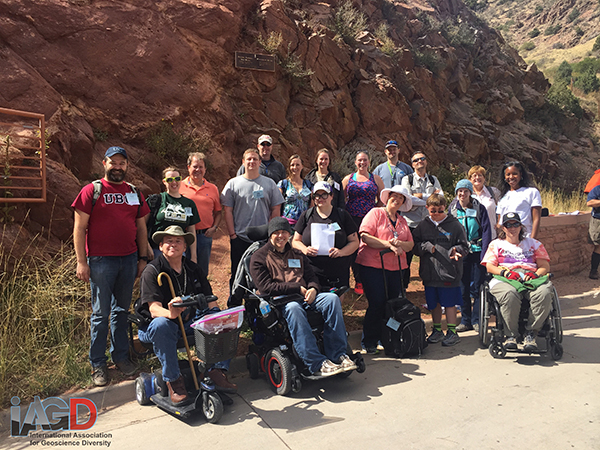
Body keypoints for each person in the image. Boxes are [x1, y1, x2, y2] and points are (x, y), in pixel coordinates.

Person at [72, 146, 150, 386]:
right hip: (100, 261)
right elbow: (79, 228)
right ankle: (98, 363)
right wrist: (81, 262)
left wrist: (143, 258)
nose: (117, 167)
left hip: (128, 259)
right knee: (100, 314)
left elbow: (141, 228)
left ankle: (121, 358)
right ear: (104, 163)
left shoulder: (134, 192)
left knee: (120, 313)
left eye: (122, 163)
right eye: (113, 162)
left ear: (127, 166)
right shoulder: (92, 191)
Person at [138, 226, 236, 405]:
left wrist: (218, 320)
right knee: (162, 324)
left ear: (185, 247)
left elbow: (210, 301)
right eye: (169, 241)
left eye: (178, 241)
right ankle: (174, 380)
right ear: (160, 246)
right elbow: (154, 310)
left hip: (189, 321)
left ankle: (215, 370)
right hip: (156, 327)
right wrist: (171, 314)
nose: (173, 244)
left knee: (222, 320)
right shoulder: (152, 271)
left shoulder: (193, 269)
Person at [250, 217, 357, 376]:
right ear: (270, 235)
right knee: (294, 308)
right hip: (281, 301)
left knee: (332, 299)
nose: (281, 236)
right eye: (276, 233)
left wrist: (313, 288)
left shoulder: (297, 254)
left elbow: (312, 277)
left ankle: (338, 355)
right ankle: (316, 363)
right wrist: (297, 288)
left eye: (284, 232)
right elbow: (265, 287)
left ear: (289, 234)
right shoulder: (259, 258)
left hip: (306, 296)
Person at [481, 212, 554, 351]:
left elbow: (545, 266)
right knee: (509, 294)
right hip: (505, 276)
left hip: (530, 276)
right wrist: (504, 272)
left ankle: (531, 333)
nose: (512, 228)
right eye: (508, 225)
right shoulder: (496, 244)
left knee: (544, 293)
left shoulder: (534, 244)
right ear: (503, 228)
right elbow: (490, 266)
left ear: (521, 227)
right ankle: (510, 335)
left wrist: (535, 274)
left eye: (515, 224)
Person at [355, 185, 414, 354]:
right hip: (373, 266)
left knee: (392, 304)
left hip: (396, 268)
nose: (396, 199)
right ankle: (369, 340)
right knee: (377, 302)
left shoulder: (402, 221)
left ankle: (387, 337)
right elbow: (365, 236)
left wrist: (399, 244)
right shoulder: (375, 214)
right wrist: (388, 245)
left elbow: (410, 244)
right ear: (388, 197)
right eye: (394, 196)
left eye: (400, 198)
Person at [222, 148, 284, 294]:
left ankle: (259, 308)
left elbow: (275, 209)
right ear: (243, 162)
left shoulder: (269, 184)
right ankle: (235, 305)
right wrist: (232, 235)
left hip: (262, 239)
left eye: (255, 159)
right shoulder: (233, 184)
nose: (252, 162)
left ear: (260, 162)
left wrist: (271, 232)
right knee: (237, 272)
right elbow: (227, 211)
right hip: (240, 237)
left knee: (262, 273)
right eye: (249, 159)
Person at [412, 194, 468, 347]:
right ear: (427, 209)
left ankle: (452, 331)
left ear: (445, 208)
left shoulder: (455, 225)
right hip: (429, 273)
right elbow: (415, 245)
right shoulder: (423, 225)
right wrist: (426, 247)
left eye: (439, 210)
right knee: (433, 303)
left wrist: (456, 250)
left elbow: (464, 246)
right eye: (432, 211)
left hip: (449, 272)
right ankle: (437, 330)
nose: (436, 214)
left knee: (449, 303)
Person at [292, 181, 359, 290]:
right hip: (311, 272)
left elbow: (354, 242)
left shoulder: (342, 215)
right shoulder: (307, 215)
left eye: (324, 194)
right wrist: (305, 249)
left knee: (335, 303)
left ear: (331, 196)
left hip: (338, 272)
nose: (320, 198)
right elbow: (295, 240)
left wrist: (342, 252)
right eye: (317, 195)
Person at [448, 179, 491, 333]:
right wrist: (451, 250)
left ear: (470, 193)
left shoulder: (480, 208)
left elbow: (486, 231)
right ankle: (465, 320)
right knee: (463, 287)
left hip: (477, 250)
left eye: (465, 191)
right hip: (461, 251)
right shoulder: (452, 208)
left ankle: (477, 319)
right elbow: (448, 231)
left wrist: (485, 254)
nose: (462, 194)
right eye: (460, 191)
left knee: (479, 286)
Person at [342, 151, 385, 294]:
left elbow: (383, 198)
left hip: (370, 220)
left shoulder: (376, 179)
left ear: (369, 162)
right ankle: (357, 281)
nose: (362, 163)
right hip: (352, 218)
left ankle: (370, 279)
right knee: (354, 249)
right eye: (359, 160)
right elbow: (341, 199)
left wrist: (375, 210)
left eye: (365, 160)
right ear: (355, 162)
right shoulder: (348, 179)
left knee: (369, 248)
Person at [400, 151, 444, 288]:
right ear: (412, 164)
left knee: (428, 257)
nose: (419, 161)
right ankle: (403, 288)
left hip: (428, 224)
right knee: (406, 257)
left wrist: (419, 196)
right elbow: (408, 201)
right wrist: (430, 197)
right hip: (410, 224)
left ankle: (429, 287)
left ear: (426, 161)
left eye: (422, 159)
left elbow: (441, 198)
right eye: (416, 160)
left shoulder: (433, 179)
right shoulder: (407, 180)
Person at [179, 152, 222, 276]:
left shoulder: (212, 188)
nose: (198, 170)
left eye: (201, 167)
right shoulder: (180, 186)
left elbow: (218, 212)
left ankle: (202, 294)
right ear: (188, 168)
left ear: (205, 169)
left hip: (204, 236)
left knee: (202, 271)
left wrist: (214, 228)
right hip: (184, 236)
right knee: (183, 269)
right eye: (195, 166)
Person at [146, 166, 200, 263]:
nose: (174, 182)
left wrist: (193, 256)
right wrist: (147, 247)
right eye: (170, 179)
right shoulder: (155, 200)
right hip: (156, 251)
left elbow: (191, 230)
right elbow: (141, 226)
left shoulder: (189, 204)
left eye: (177, 179)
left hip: (178, 251)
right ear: (164, 181)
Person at [496, 161, 542, 239]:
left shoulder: (531, 192)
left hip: (525, 238)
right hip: (506, 240)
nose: (511, 177)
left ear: (521, 174)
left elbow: (536, 219)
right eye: (508, 174)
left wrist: (532, 241)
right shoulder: (503, 196)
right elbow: (499, 222)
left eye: (514, 173)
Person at [277, 154, 313, 225]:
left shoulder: (309, 185)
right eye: (292, 165)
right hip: (287, 224)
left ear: (302, 166)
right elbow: (277, 205)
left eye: (297, 165)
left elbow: (312, 205)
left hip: (304, 224)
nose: (295, 167)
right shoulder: (283, 184)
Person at [468, 165, 501, 239]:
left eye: (480, 175)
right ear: (470, 179)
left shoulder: (493, 192)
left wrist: (499, 223)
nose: (477, 178)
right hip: (473, 237)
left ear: (484, 178)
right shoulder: (466, 194)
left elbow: (502, 208)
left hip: (492, 234)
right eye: (474, 176)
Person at [586, 185, 600, 279]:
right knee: (598, 246)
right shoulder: (597, 189)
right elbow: (589, 203)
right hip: (598, 220)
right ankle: (593, 271)